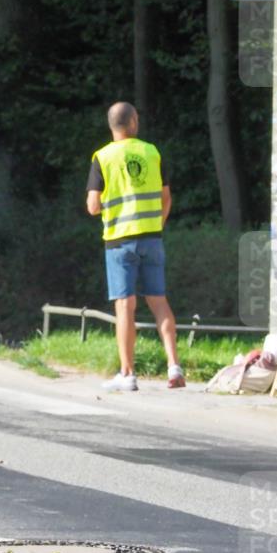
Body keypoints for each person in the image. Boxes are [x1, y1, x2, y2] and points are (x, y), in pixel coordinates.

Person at [86, 102, 185, 391]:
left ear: (112, 125)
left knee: (125, 305)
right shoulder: (151, 152)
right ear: (134, 122)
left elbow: (93, 206)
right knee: (159, 301)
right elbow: (166, 197)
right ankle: (174, 366)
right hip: (152, 237)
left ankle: (128, 374)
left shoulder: (102, 157)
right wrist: (157, 223)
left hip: (119, 241)